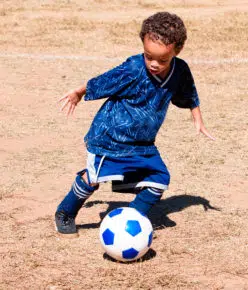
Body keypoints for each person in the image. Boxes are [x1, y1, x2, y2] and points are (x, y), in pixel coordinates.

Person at [55, 12, 214, 234]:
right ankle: (65, 212)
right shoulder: (134, 68)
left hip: (142, 143)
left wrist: (197, 118)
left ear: (177, 51)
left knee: (159, 179)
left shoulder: (180, 70)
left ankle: (131, 221)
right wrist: (78, 92)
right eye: (149, 56)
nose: (154, 64)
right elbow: (105, 80)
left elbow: (188, 93)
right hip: (109, 139)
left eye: (162, 59)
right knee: (92, 179)